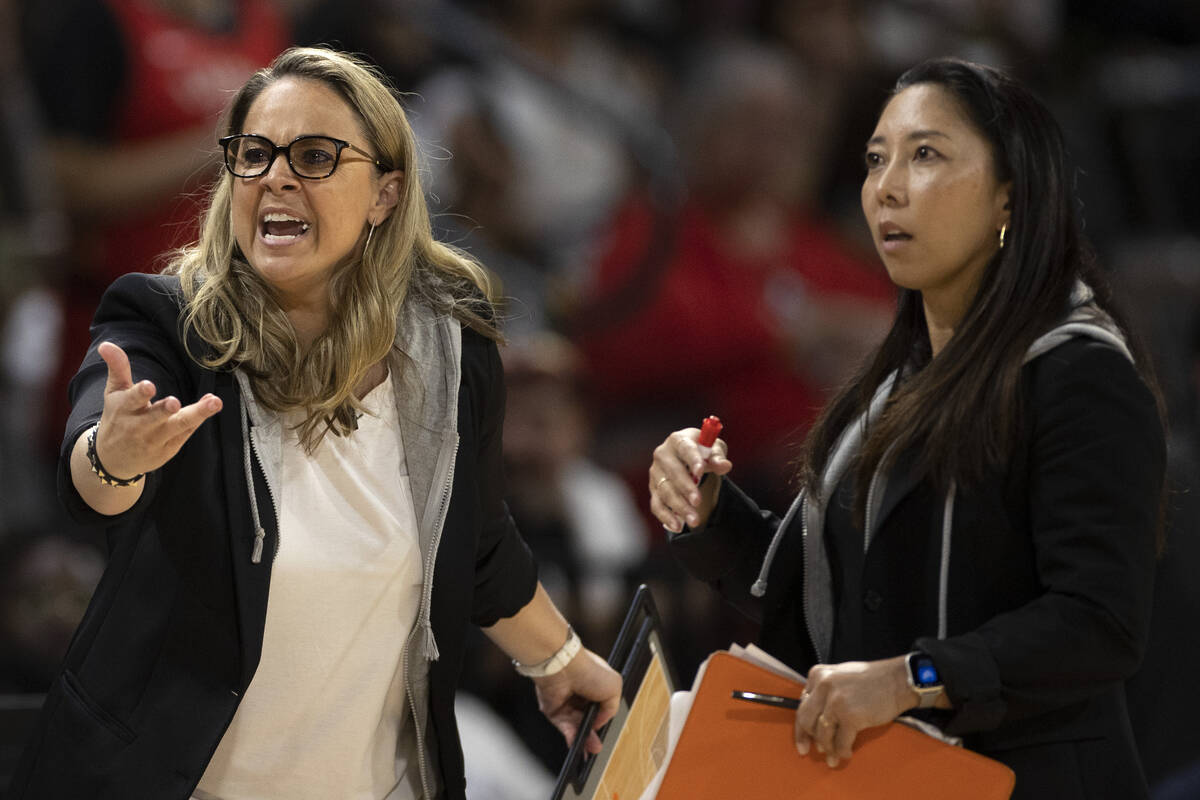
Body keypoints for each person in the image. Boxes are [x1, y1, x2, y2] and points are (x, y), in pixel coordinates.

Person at [9, 46, 620, 800]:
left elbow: (477, 540)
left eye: (316, 155)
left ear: (385, 194)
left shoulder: (451, 352)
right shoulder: (169, 324)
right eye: (254, 154)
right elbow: (92, 480)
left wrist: (560, 661)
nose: (276, 176)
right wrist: (117, 455)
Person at [648, 57, 1166, 799]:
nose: (886, 187)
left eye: (926, 156)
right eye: (875, 160)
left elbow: (1098, 624)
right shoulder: (894, 383)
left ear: (1009, 196)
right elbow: (836, 615)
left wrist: (914, 678)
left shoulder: (1078, 372)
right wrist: (711, 514)